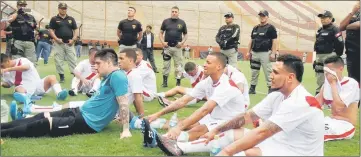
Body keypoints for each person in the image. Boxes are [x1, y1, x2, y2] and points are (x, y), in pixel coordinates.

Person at [156, 54, 324, 156]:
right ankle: (179, 147)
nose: (270, 76)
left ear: (290, 77)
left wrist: (228, 152)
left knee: (243, 154)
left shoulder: (299, 102)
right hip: (279, 142)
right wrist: (216, 130)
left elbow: (262, 132)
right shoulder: (278, 96)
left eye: (275, 72)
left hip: (297, 153)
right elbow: (247, 117)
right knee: (231, 134)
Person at [1, 48, 132, 139]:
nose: (95, 66)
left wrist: (126, 129)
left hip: (87, 122)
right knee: (41, 116)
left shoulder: (118, 76)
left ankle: (3, 133)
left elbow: (123, 102)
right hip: (80, 111)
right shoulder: (109, 76)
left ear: (109, 63)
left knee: (44, 123)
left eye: (98, 63)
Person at [139, 53, 246, 148]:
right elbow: (182, 101)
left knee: (197, 130)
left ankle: (157, 140)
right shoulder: (207, 82)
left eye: (208, 62)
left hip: (231, 120)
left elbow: (204, 110)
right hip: (215, 116)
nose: (204, 64)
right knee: (185, 122)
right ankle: (143, 127)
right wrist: (157, 114)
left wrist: (178, 128)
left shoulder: (225, 85)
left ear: (218, 66)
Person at [0, 54, 68, 116]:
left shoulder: (22, 60)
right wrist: (2, 83)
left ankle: (59, 93)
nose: (2, 68)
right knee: (18, 89)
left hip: (37, 85)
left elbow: (26, 67)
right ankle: (27, 101)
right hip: (24, 89)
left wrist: (8, 69)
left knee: (52, 77)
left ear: (8, 61)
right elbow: (9, 84)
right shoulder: (6, 72)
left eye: (2, 66)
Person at [315, 56, 359, 141]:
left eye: (331, 71)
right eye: (326, 71)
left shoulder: (351, 84)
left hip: (345, 125)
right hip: (330, 121)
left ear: (341, 69)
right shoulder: (327, 84)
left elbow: (338, 107)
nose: (328, 74)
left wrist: (333, 84)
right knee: (306, 128)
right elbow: (317, 104)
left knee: (316, 134)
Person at [313, 10, 344, 95]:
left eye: (324, 17)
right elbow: (316, 45)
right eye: (321, 18)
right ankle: (319, 97)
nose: (322, 19)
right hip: (319, 57)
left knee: (331, 78)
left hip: (330, 56)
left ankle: (332, 99)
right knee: (320, 78)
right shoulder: (319, 30)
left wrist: (336, 56)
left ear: (330, 19)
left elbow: (340, 43)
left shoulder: (335, 29)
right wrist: (315, 59)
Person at [247, 10, 278, 94]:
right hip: (255, 53)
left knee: (268, 72)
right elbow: (251, 40)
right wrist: (248, 52)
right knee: (254, 71)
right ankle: (252, 88)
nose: (262, 17)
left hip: (265, 53)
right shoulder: (255, 28)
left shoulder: (271, 28)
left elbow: (274, 41)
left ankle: (271, 88)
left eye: (263, 16)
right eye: (260, 16)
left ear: (267, 17)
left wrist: (273, 53)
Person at [49, 2, 78, 83]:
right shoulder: (54, 19)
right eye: (62, 8)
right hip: (59, 43)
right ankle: (61, 76)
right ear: (58, 9)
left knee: (73, 59)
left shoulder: (71, 19)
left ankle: (76, 76)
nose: (63, 10)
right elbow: (51, 30)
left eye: (65, 8)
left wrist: (73, 39)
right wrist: (56, 39)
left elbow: (75, 29)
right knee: (58, 60)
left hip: (70, 43)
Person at [160, 6, 188, 87]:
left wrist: (182, 43)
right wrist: (162, 42)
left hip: (177, 48)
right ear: (171, 12)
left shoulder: (182, 22)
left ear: (178, 13)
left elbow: (185, 34)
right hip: (167, 47)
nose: (174, 13)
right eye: (173, 11)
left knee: (178, 65)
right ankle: (165, 83)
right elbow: (161, 33)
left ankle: (178, 82)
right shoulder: (166, 21)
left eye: (176, 12)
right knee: (166, 65)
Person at [118, 49, 146, 117]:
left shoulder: (135, 75)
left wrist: (142, 117)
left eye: (121, 58)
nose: (118, 61)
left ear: (130, 61)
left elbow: (138, 97)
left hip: (111, 111)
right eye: (118, 58)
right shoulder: (126, 73)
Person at [340, 2, 360, 85]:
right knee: (353, 82)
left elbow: (358, 25)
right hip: (352, 54)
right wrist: (352, 12)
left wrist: (347, 27)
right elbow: (341, 26)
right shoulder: (355, 14)